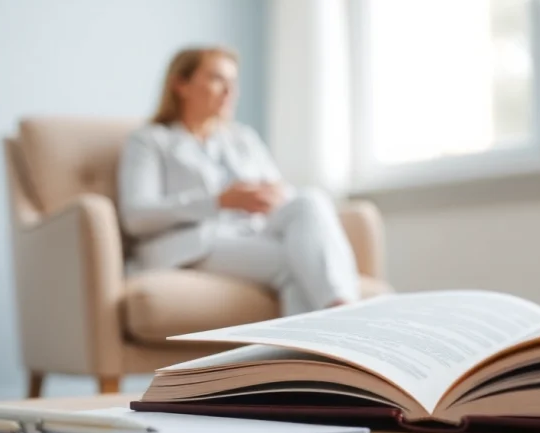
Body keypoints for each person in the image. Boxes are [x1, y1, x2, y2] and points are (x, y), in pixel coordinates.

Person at [116, 46, 359, 316]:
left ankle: (334, 326)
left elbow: (279, 192)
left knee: (310, 199)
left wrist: (275, 195)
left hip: (253, 232)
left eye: (233, 82)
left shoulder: (243, 138)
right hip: (196, 243)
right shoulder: (150, 140)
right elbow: (136, 216)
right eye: (217, 79)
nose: (230, 92)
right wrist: (218, 202)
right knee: (297, 264)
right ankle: (343, 322)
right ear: (180, 84)